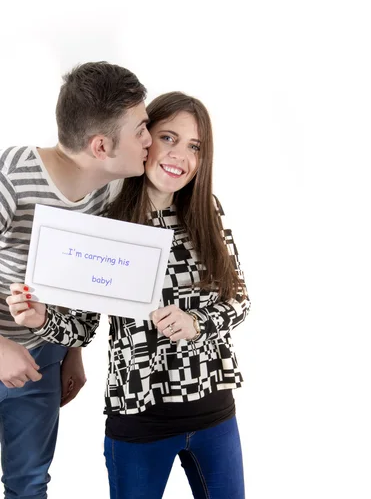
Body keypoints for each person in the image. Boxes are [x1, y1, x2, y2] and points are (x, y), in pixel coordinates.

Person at [8, 92, 250, 499]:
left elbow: (239, 301)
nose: (180, 155)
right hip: (139, 417)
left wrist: (196, 322)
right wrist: (42, 319)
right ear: (144, 139)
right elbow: (84, 327)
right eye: (168, 138)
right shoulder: (107, 220)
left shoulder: (207, 209)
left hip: (214, 412)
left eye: (194, 146)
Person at [0, 61, 152, 499]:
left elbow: (81, 282)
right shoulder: (10, 177)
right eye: (141, 129)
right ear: (101, 145)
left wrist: (72, 353)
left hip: (40, 358)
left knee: (29, 485)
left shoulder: (105, 190)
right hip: (4, 347)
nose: (149, 140)